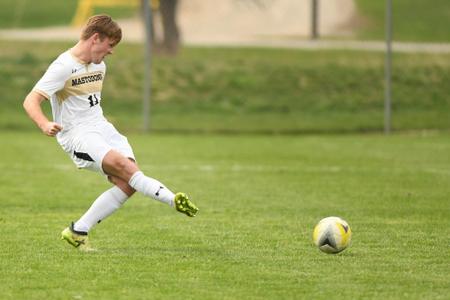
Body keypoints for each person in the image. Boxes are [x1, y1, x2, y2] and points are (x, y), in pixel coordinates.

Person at [22, 14, 198, 251]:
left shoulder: (99, 65)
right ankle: (173, 199)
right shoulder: (63, 66)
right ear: (96, 38)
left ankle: (78, 231)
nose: (111, 51)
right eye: (110, 45)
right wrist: (44, 124)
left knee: (129, 184)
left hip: (103, 128)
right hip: (78, 136)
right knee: (128, 170)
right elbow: (31, 100)